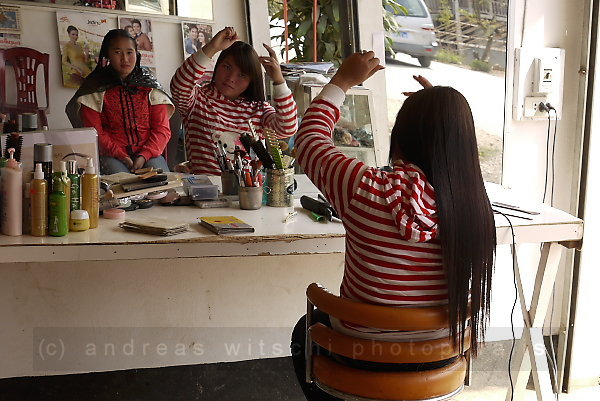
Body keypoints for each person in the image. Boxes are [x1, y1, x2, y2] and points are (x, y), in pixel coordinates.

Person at [290, 51, 496, 400]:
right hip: (436, 368)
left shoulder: (366, 190)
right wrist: (441, 117)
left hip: (362, 365)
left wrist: (341, 82)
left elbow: (309, 142)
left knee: (303, 331)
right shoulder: (474, 207)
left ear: (401, 136)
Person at [170, 26, 297, 175]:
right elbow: (179, 85)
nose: (231, 78)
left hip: (247, 193)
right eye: (227, 67)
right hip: (206, 191)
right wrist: (212, 47)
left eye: (242, 75)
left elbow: (287, 128)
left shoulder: (259, 109)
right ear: (217, 65)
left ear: (252, 80)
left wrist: (279, 80)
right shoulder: (197, 99)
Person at [65, 29, 174, 174]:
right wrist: (121, 155)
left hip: (148, 153)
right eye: (117, 52)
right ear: (107, 55)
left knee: (162, 187)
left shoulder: (149, 86)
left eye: (130, 52)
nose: (125, 59)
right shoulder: (95, 89)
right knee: (122, 187)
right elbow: (95, 133)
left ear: (137, 53)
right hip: (111, 154)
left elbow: (162, 130)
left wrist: (144, 155)